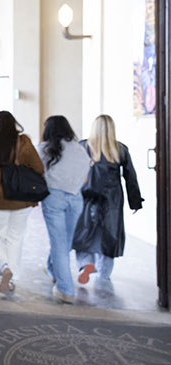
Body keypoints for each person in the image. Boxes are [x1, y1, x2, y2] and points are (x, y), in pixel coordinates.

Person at [0, 111, 44, 295]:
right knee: (15, 237)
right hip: (21, 198)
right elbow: (38, 167)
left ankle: (4, 267)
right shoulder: (23, 142)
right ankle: (11, 279)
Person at [73, 114, 143, 284]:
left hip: (87, 196)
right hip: (112, 198)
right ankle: (104, 274)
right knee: (109, 234)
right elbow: (130, 177)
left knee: (84, 232)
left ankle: (86, 264)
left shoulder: (83, 146)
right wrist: (135, 201)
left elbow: (72, 172)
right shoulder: (120, 149)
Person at [37, 116, 91, 304]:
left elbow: (36, 173)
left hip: (54, 198)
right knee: (65, 242)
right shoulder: (79, 149)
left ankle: (65, 289)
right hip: (76, 198)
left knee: (59, 243)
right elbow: (86, 178)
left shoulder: (44, 149)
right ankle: (52, 269)